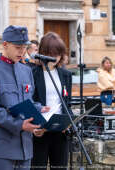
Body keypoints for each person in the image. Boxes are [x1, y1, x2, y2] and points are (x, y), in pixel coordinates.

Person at [0, 25, 50, 170]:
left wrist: (39, 111)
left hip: (25, 146)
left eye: (25, 47)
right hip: (2, 147)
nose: (22, 51)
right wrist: (19, 125)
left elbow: (27, 101)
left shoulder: (26, 70)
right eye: (18, 47)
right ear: (5, 44)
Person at [31, 32, 72, 170]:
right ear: (42, 53)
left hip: (60, 132)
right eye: (51, 53)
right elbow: (28, 102)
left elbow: (67, 104)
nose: (54, 58)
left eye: (58, 54)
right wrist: (34, 127)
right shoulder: (32, 73)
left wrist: (69, 121)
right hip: (39, 131)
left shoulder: (65, 75)